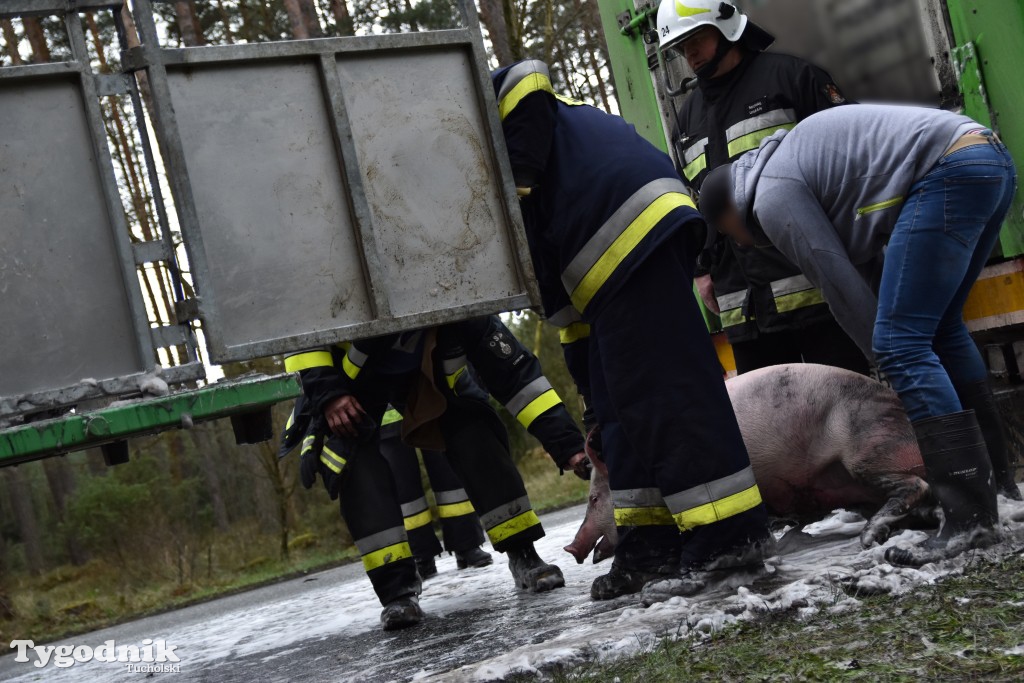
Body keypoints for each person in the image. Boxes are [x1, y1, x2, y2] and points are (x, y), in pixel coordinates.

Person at [492, 59, 773, 602]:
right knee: (624, 409)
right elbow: (571, 321)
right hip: (612, 248)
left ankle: (728, 538)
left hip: (630, 222)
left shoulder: (485, 114)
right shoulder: (511, 236)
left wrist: (517, 182)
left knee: (667, 395)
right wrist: (594, 403)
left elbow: (526, 74)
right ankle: (650, 544)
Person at [697, 103, 1019, 566]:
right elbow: (869, 275)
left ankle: (970, 520)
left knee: (901, 345)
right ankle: (1000, 491)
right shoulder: (794, 167)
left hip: (949, 169)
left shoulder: (771, 196)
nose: (740, 243)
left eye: (728, 234)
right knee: (942, 329)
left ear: (729, 212)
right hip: (986, 158)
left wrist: (888, 364)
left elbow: (838, 283)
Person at [280, 315, 586, 630]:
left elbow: (519, 378)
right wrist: (328, 394)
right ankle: (397, 593)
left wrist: (569, 447)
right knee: (354, 463)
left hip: (428, 377)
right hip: (348, 384)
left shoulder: (461, 298)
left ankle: (524, 554)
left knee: (474, 429)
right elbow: (301, 332)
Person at [657, 0, 869, 376]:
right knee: (774, 432)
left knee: (847, 415)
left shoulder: (792, 79)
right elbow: (693, 204)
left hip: (818, 295)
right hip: (745, 313)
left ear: (728, 28)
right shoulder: (686, 120)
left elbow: (850, 164)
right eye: (680, 46)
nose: (689, 53)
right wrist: (702, 271)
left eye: (697, 38)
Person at [377, 408, 492, 578]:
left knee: (450, 476)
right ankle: (420, 555)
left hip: (427, 403)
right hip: (385, 417)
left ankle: (467, 543)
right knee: (403, 489)